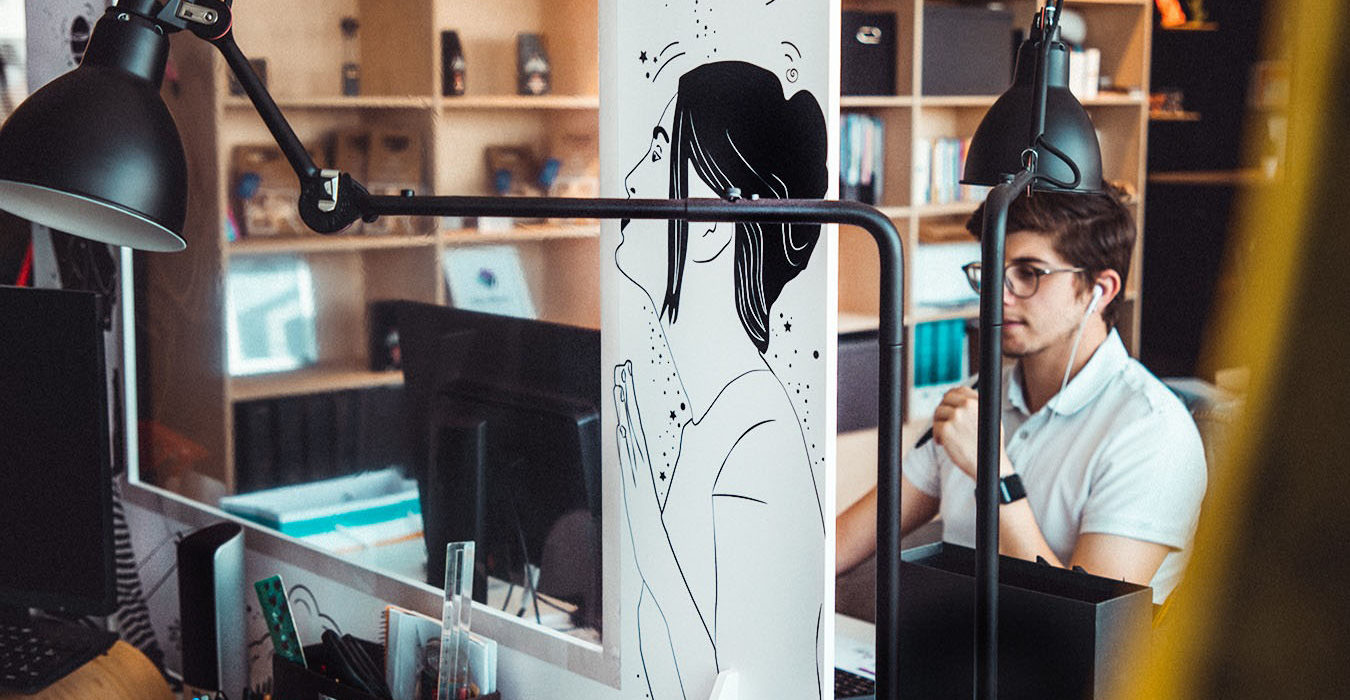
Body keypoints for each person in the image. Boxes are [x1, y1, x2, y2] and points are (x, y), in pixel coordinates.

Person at [836, 186, 1207, 606]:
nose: (1000, 294)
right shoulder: (977, 396)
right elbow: (845, 543)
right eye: (992, 270)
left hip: (1059, 652)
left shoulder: (1152, 432)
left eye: (1029, 273)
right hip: (951, 639)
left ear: (1100, 290)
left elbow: (1079, 627)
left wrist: (996, 476)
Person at [614, 60, 829, 698]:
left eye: (658, 155)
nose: (630, 181)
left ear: (712, 220)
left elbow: (728, 686)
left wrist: (643, 525)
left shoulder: (754, 438)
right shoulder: (711, 425)